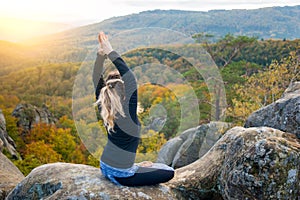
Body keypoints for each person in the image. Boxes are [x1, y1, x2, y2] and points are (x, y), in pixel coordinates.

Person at [93, 32, 174, 187]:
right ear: (125, 95)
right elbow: (130, 78)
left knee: (148, 166)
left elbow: (96, 78)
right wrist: (109, 51)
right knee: (168, 171)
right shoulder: (126, 115)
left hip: (105, 166)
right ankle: (136, 168)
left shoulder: (105, 109)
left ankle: (136, 167)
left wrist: (100, 54)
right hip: (122, 174)